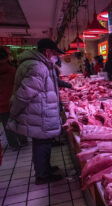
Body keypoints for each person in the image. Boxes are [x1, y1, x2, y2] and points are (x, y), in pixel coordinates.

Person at [7, 38, 65, 184]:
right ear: (47, 52)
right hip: (40, 113)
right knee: (42, 144)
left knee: (42, 143)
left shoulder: (37, 64)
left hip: (39, 111)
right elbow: (25, 93)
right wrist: (14, 113)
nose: (55, 56)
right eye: (54, 53)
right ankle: (43, 175)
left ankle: (45, 169)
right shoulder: (38, 67)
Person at [0, 46, 28, 151]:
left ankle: (14, 145)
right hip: (15, 100)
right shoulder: (12, 70)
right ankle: (23, 141)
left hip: (1, 104)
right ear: (7, 57)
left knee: (7, 125)